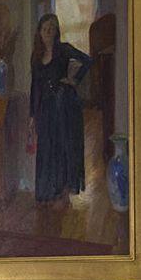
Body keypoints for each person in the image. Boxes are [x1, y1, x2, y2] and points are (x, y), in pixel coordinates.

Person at [29, 13, 90, 202]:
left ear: (56, 32)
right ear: (39, 32)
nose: (48, 32)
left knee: (64, 146)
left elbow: (87, 60)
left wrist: (73, 80)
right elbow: (35, 88)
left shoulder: (63, 50)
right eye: (45, 28)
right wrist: (32, 117)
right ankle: (49, 189)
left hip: (65, 104)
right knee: (48, 146)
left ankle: (63, 191)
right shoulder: (37, 57)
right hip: (47, 107)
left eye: (52, 29)